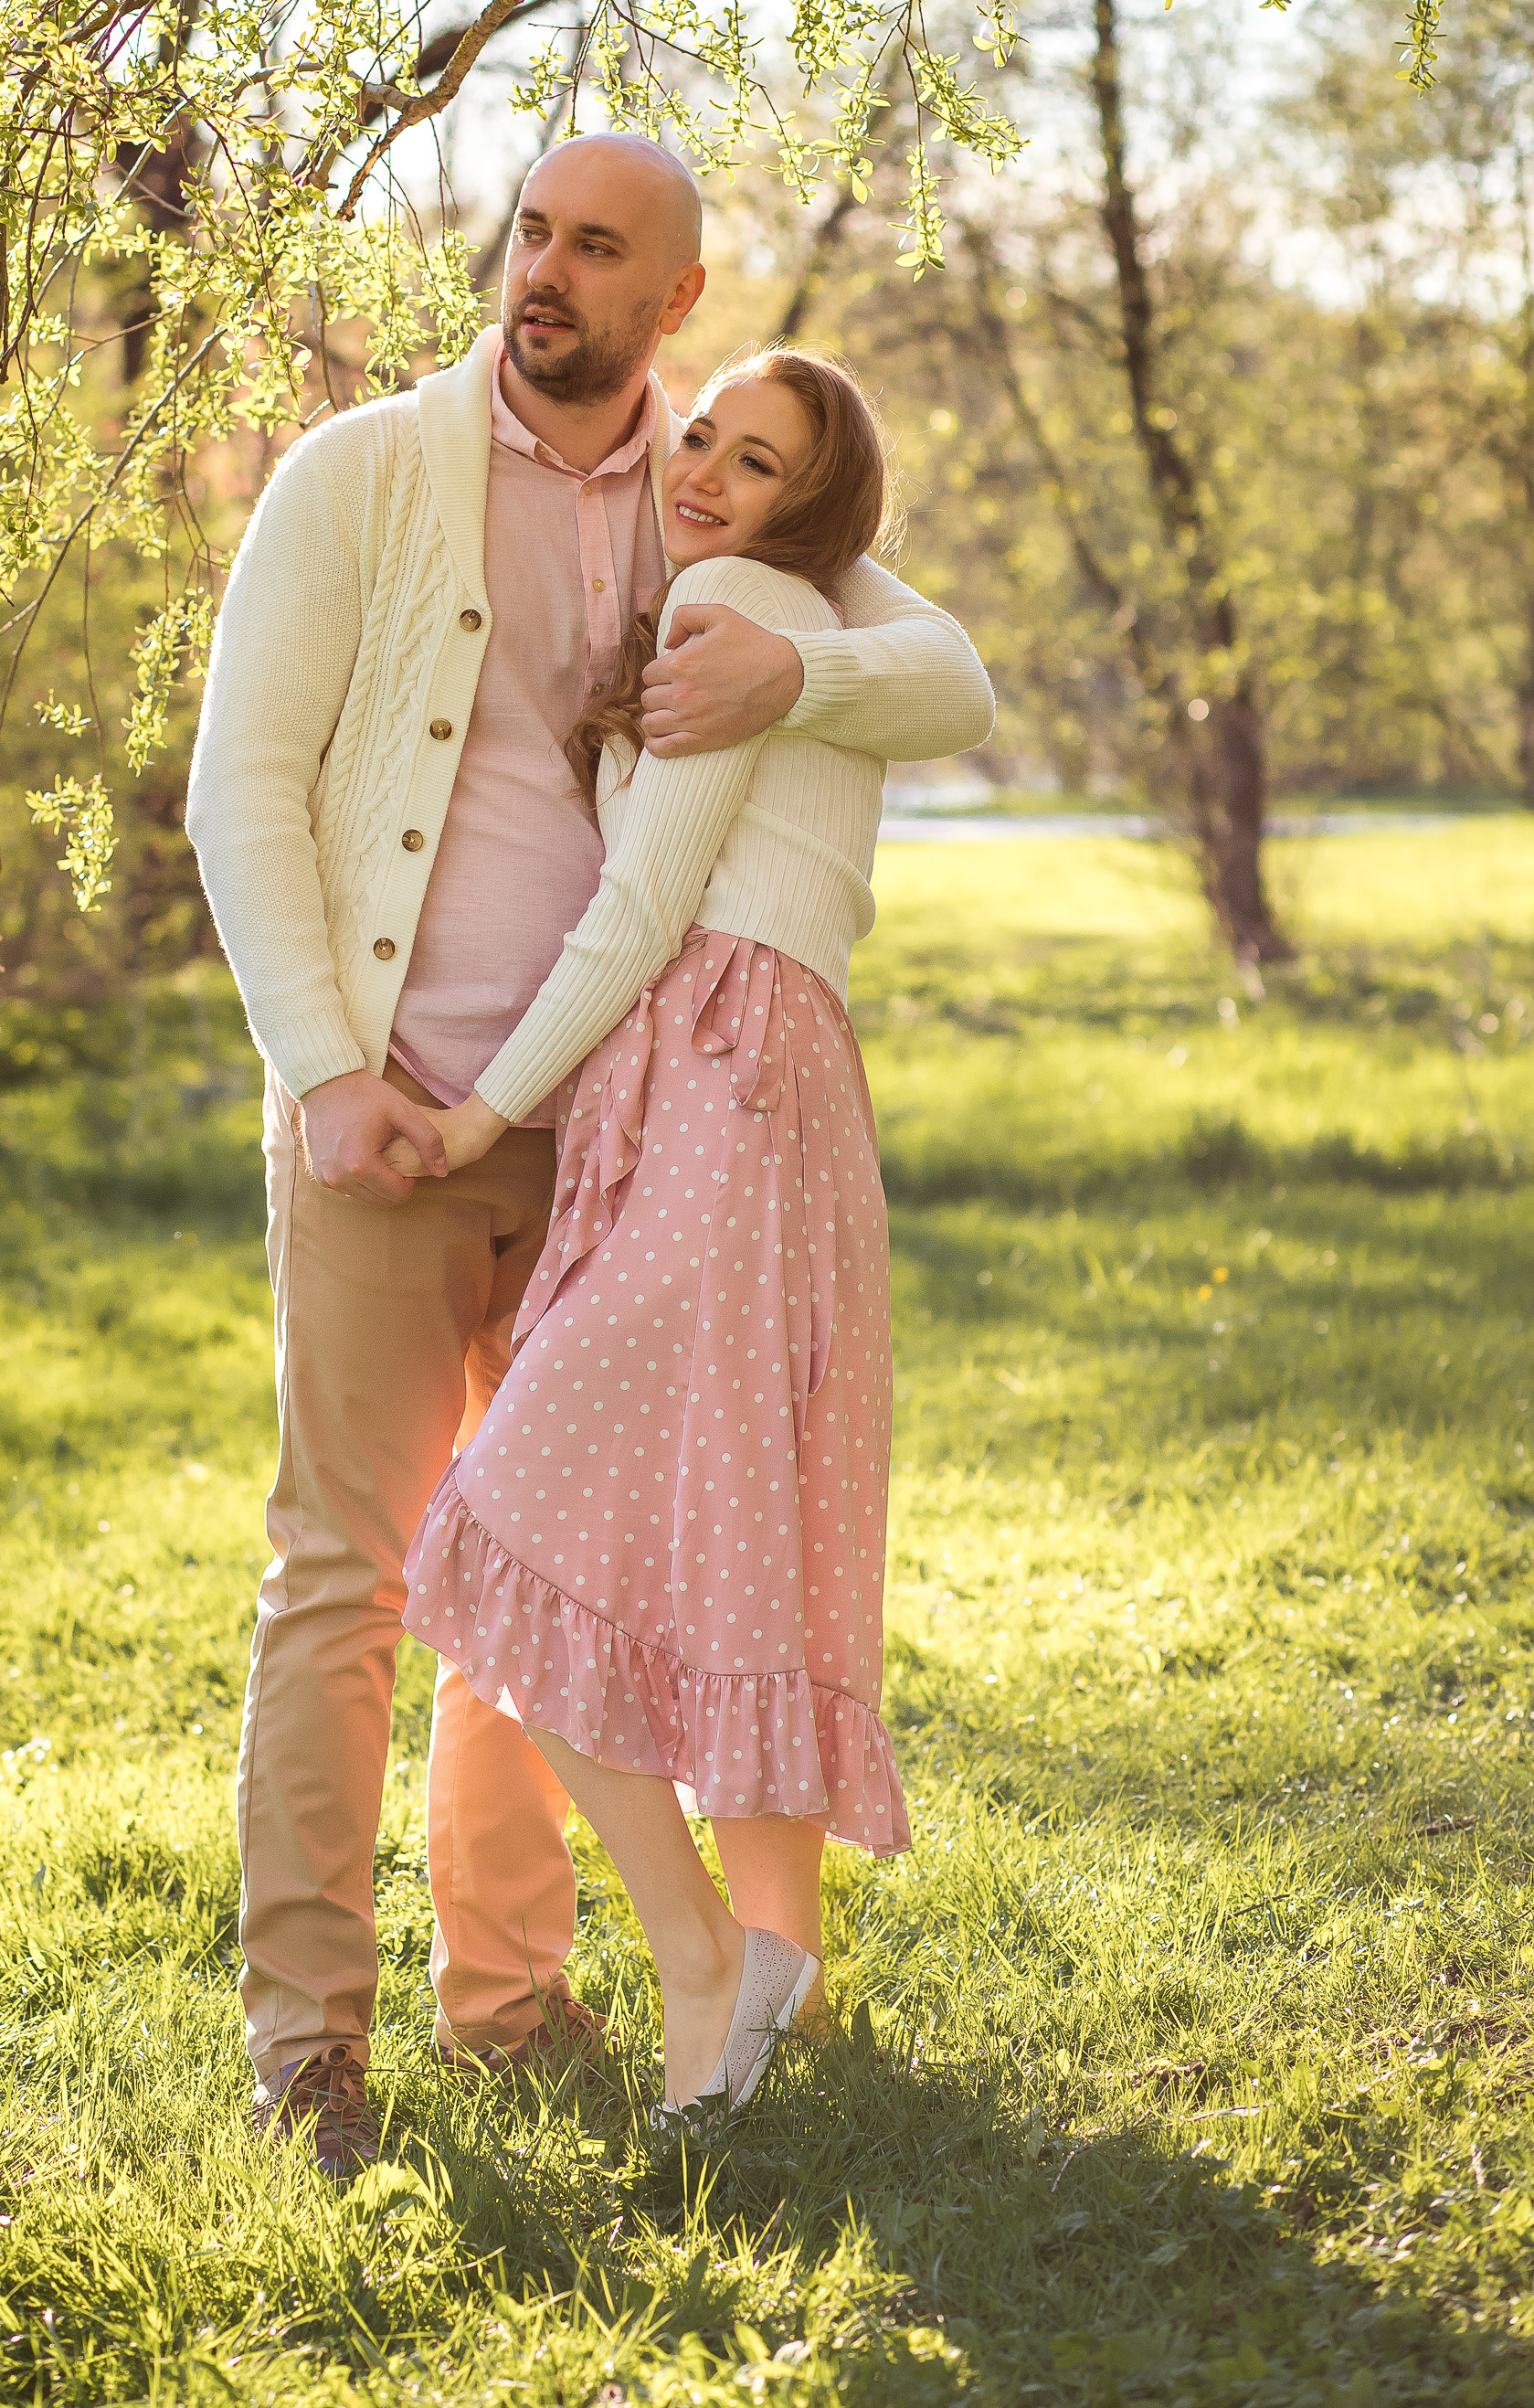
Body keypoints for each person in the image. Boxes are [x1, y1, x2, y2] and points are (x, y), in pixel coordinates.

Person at [185, 133, 992, 2174]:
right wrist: (322, 1063)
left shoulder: (715, 490)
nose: (544, 271)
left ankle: (513, 2004)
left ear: (673, 295)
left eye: (595, 248)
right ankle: (310, 2051)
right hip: (389, 1111)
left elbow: (952, 675)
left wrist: (799, 662)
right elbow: (240, 788)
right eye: (534, 232)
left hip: (603, 1136)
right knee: (348, 1582)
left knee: (525, 1578)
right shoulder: (357, 473)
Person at [400, 345, 908, 2127]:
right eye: (703, 433)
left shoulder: (746, 618)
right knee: (704, 1544)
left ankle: (706, 1954)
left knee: (482, 1535)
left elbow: (635, 917)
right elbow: (944, 673)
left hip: (717, 1084)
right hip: (751, 1095)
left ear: (804, 512)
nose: (704, 469)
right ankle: (752, 1981)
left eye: (755, 460)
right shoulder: (786, 612)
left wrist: (472, 1113)